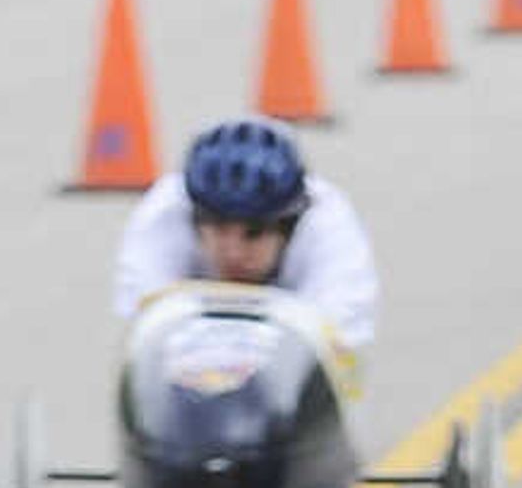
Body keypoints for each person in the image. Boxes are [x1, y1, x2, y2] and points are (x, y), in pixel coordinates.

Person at [111, 117, 381, 371]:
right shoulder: (162, 217)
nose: (233, 252)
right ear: (193, 218)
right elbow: (144, 335)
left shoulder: (329, 232)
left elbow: (340, 347)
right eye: (217, 226)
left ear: (289, 228)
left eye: (255, 232)